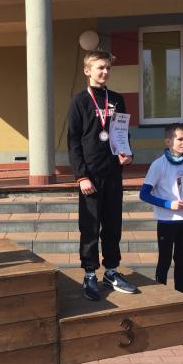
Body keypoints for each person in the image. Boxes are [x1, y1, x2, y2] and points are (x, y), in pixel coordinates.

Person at [67, 50, 136, 301]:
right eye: (100, 67)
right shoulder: (79, 101)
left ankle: (111, 271)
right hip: (91, 176)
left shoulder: (117, 99)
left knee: (113, 224)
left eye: (108, 67)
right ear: (88, 71)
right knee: (90, 226)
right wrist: (81, 176)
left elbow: (122, 132)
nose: (105, 71)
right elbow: (74, 141)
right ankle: (89, 273)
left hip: (113, 173)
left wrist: (127, 153)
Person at [139, 123, 183, 294]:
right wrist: (168, 204)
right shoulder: (158, 164)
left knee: (181, 260)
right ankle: (161, 297)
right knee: (164, 260)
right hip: (167, 221)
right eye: (180, 139)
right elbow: (144, 194)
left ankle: (180, 297)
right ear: (168, 141)